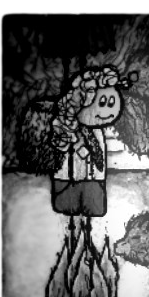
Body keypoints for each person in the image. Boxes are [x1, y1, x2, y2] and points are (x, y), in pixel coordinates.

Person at [50, 65, 138, 247]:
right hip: (69, 179)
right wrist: (77, 143)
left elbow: (98, 157)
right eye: (102, 102)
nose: (106, 111)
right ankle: (72, 240)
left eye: (111, 103)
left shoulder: (97, 133)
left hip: (94, 180)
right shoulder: (68, 127)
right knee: (70, 209)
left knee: (91, 209)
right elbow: (66, 150)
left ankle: (88, 240)